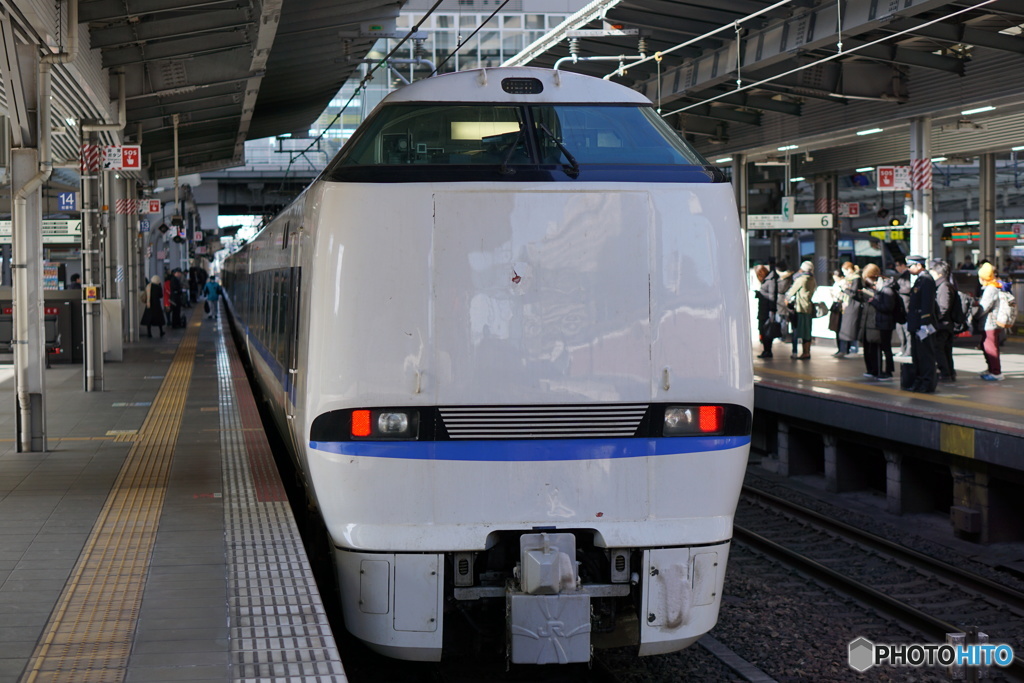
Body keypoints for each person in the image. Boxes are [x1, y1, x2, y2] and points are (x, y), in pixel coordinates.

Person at [906, 255, 937, 393]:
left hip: (922, 324)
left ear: (919, 265)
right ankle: (919, 380)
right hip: (916, 323)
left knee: (925, 356)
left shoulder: (926, 280)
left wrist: (925, 322)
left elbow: (927, 303)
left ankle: (927, 382)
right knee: (917, 355)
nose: (909, 269)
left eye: (910, 266)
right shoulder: (920, 280)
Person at [929, 259, 958, 383]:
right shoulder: (944, 285)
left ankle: (946, 373)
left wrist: (936, 319)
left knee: (939, 349)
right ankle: (949, 373)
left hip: (943, 325)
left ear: (939, 273)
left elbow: (944, 307)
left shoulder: (944, 286)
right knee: (945, 350)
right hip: (945, 324)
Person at [977, 262, 1005, 381]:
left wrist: (974, 315)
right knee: (989, 346)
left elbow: (984, 307)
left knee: (990, 348)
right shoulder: (996, 285)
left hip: (990, 323)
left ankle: (996, 372)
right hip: (994, 323)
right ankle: (992, 369)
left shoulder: (991, 288)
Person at [786, 260, 817, 359]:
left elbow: (791, 293)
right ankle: (807, 352)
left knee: (796, 331)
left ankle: (796, 352)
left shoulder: (801, 279)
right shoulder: (812, 279)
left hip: (800, 308)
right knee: (807, 331)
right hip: (809, 307)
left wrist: (786, 301)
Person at [836, 261, 862, 358]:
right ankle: (844, 349)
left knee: (851, 328)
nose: (844, 274)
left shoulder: (856, 279)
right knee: (846, 329)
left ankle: (851, 349)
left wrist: (844, 289)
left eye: (844, 271)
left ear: (849, 269)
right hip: (847, 305)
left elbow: (853, 293)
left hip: (852, 306)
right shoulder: (849, 279)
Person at [755, 263, 780, 358]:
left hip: (767, 311)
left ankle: (768, 350)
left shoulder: (771, 280)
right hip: (763, 309)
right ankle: (766, 350)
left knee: (767, 331)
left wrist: (772, 310)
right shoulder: (767, 280)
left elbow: (772, 296)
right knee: (763, 330)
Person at [893, 258, 913, 357]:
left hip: (906, 305)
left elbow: (908, 288)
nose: (896, 268)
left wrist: (897, 289)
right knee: (900, 329)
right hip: (901, 305)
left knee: (907, 329)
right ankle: (903, 348)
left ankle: (908, 350)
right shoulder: (903, 275)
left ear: (902, 265)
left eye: (897, 265)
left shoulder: (907, 275)